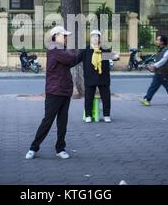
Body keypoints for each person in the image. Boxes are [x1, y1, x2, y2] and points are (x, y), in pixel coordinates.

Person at [25, 26, 77, 160]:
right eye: (64, 35)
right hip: (55, 91)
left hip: (65, 90)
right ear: (56, 36)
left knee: (62, 121)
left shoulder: (61, 50)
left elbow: (71, 61)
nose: (66, 38)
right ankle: (33, 147)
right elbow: (71, 58)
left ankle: (60, 148)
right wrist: (76, 54)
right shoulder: (54, 48)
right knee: (48, 121)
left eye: (66, 36)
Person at [75, 30, 119, 123]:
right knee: (88, 98)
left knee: (106, 97)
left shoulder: (104, 50)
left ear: (99, 38)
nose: (95, 38)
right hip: (90, 78)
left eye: (97, 36)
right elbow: (76, 60)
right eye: (93, 36)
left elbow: (114, 57)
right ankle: (88, 115)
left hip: (103, 77)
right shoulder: (86, 50)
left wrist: (116, 56)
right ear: (90, 38)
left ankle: (106, 115)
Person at [139, 35, 168, 107]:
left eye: (158, 40)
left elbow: (163, 61)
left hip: (164, 73)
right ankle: (147, 99)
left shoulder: (167, 50)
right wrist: (151, 65)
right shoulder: (160, 49)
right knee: (153, 86)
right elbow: (157, 60)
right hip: (158, 72)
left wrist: (154, 66)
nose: (156, 41)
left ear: (162, 42)